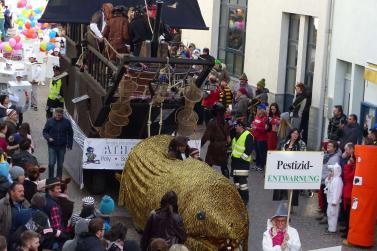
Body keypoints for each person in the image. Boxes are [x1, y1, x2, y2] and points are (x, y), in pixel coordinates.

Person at [273, 128, 306, 207]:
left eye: (297, 134)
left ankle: (290, 205)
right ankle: (285, 202)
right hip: (283, 168)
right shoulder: (284, 142)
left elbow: (304, 156)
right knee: (283, 187)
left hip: (294, 168)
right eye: (293, 133)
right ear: (290, 134)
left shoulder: (301, 143)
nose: (295, 135)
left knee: (292, 188)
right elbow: (277, 153)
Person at [42, 108, 73, 178]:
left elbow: (70, 133)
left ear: (62, 115)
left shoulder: (66, 122)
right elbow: (45, 132)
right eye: (56, 115)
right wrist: (48, 138)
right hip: (52, 146)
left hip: (62, 147)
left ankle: (58, 179)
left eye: (59, 115)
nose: (58, 117)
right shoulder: (50, 121)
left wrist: (69, 144)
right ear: (54, 113)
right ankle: (51, 179)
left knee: (60, 165)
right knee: (51, 164)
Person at [201, 107, 230, 178]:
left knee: (208, 164)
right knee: (224, 166)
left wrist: (200, 145)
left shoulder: (212, 122)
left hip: (214, 146)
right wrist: (227, 146)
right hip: (223, 146)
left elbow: (206, 136)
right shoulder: (225, 122)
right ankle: (226, 182)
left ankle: (205, 180)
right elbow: (229, 138)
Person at [317, 140, 341, 225]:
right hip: (323, 180)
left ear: (334, 148)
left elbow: (331, 171)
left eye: (330, 146)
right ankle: (324, 214)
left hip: (327, 181)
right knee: (323, 199)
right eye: (328, 145)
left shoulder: (335, 158)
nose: (328, 146)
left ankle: (327, 217)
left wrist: (323, 177)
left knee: (327, 200)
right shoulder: (327, 155)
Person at [230, 120, 254, 204]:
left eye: (236, 126)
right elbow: (234, 147)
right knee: (236, 182)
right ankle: (238, 198)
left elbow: (249, 150)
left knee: (242, 182)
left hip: (243, 163)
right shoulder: (236, 135)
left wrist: (241, 159)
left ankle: (245, 199)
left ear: (241, 126)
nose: (235, 127)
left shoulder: (248, 135)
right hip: (235, 162)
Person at [341, 143, 355, 239]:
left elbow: (348, 177)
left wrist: (348, 165)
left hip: (350, 189)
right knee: (346, 212)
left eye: (347, 150)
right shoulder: (350, 158)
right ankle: (346, 229)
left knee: (349, 213)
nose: (345, 152)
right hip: (347, 188)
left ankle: (348, 231)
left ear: (351, 149)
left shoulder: (353, 161)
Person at [324, 163, 343, 234]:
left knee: (333, 215)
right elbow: (327, 184)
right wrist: (328, 178)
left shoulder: (337, 180)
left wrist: (335, 201)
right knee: (329, 213)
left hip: (334, 202)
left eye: (331, 171)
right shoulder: (333, 178)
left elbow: (337, 192)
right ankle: (330, 227)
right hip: (330, 200)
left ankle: (332, 229)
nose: (330, 173)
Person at [251, 104, 269, 172]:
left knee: (262, 153)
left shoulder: (265, 118)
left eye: (259, 110)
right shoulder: (256, 116)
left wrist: (256, 128)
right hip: (256, 137)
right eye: (257, 109)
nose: (257, 111)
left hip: (262, 139)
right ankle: (257, 164)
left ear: (262, 110)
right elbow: (254, 123)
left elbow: (265, 129)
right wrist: (252, 125)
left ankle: (261, 166)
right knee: (257, 152)